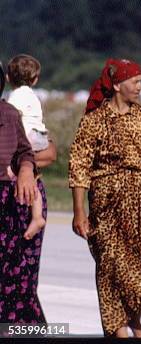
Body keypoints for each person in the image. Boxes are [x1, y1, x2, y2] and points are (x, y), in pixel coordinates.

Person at [69, 58, 141, 337]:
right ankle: (118, 327)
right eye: (136, 82)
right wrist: (79, 212)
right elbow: (79, 166)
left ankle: (133, 318)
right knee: (113, 267)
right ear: (117, 85)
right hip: (108, 205)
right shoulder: (94, 120)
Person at [0, 60, 56, 324]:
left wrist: (22, 166)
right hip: (19, 190)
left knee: (21, 280)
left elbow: (47, 154)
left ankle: (27, 329)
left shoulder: (10, 112)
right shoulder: (28, 101)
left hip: (16, 197)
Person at [5, 54, 49, 240]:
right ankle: (37, 216)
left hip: (25, 138)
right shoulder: (34, 97)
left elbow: (9, 118)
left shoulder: (13, 97)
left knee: (10, 170)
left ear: (8, 78)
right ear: (35, 79)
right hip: (40, 138)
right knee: (34, 178)